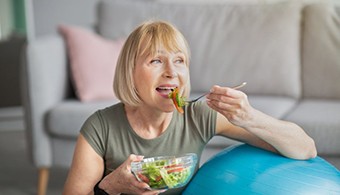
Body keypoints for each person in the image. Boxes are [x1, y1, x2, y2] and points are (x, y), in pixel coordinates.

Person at [62, 20, 317, 195]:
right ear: (130, 72)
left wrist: (249, 117)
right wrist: (112, 187)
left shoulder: (198, 115)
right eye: (156, 61)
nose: (172, 72)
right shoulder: (100, 127)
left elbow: (305, 148)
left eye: (179, 61)